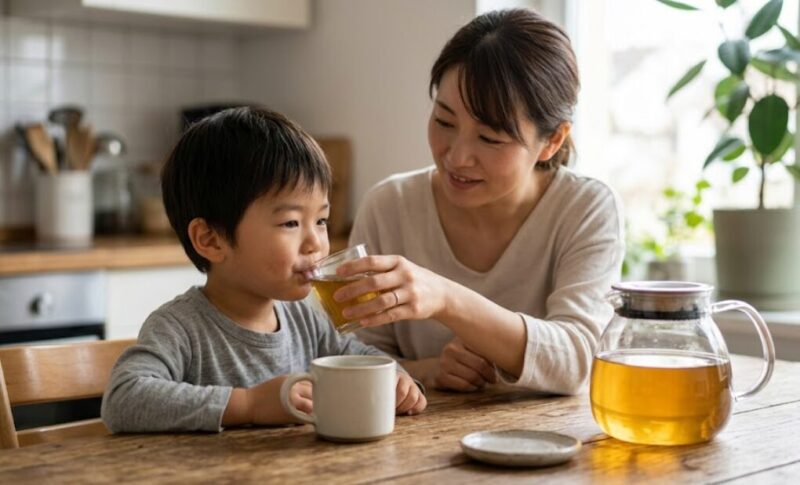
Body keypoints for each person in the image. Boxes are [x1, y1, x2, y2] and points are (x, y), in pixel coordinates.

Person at [333, 9, 624, 395]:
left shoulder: (584, 208)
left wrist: (446, 298)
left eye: (489, 138)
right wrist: (431, 369)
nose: (456, 157)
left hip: (553, 443)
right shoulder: (390, 205)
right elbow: (352, 356)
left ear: (552, 140)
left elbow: (578, 359)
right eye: (444, 121)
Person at [102, 107, 426, 433]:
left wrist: (397, 379)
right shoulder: (179, 328)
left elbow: (360, 356)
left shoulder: (306, 319)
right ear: (211, 240)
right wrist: (249, 404)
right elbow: (123, 398)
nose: (315, 242)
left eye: (321, 220)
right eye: (290, 223)